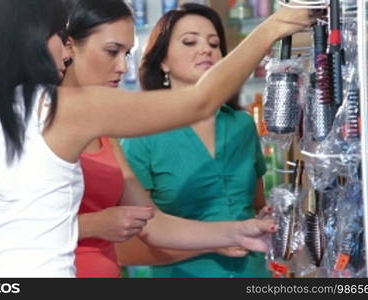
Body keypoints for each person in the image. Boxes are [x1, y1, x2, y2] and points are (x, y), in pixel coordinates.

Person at [0, 0, 314, 277]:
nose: (66, 52)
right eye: (61, 38)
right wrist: (274, 25)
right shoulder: (60, 108)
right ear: (30, 41)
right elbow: (200, 101)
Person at [64, 0, 272, 278]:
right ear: (67, 46)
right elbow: (6, 223)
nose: (123, 67)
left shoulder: (105, 131)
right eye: (112, 51)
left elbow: (154, 225)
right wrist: (274, 27)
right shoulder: (37, 120)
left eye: (126, 54)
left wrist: (238, 231)